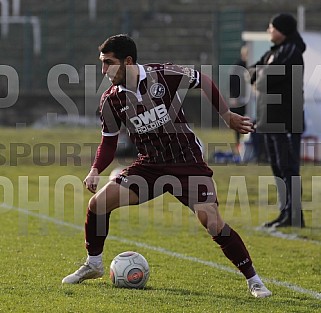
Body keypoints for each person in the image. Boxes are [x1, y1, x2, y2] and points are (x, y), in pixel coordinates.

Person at [61, 34, 272, 298]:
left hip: (187, 161)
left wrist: (226, 115)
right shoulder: (110, 100)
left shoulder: (162, 74)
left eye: (109, 63)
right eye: (102, 64)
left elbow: (203, 80)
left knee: (212, 221)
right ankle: (93, 264)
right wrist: (95, 170)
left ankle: (253, 280)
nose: (104, 71)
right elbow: (109, 143)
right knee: (98, 204)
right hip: (149, 165)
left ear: (128, 61)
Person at [249, 13, 306, 228]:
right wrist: (260, 74)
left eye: (271, 27)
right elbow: (251, 72)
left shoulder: (291, 50)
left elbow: (265, 79)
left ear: (282, 30)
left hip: (286, 119)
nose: (268, 31)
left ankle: (295, 214)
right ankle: (285, 211)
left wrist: (260, 75)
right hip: (269, 119)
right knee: (277, 166)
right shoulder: (274, 52)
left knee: (288, 166)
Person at [229, 45, 248, 151]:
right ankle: (238, 144)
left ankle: (247, 143)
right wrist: (234, 97)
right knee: (238, 121)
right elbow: (232, 82)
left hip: (249, 98)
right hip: (239, 98)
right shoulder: (238, 66)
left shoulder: (252, 65)